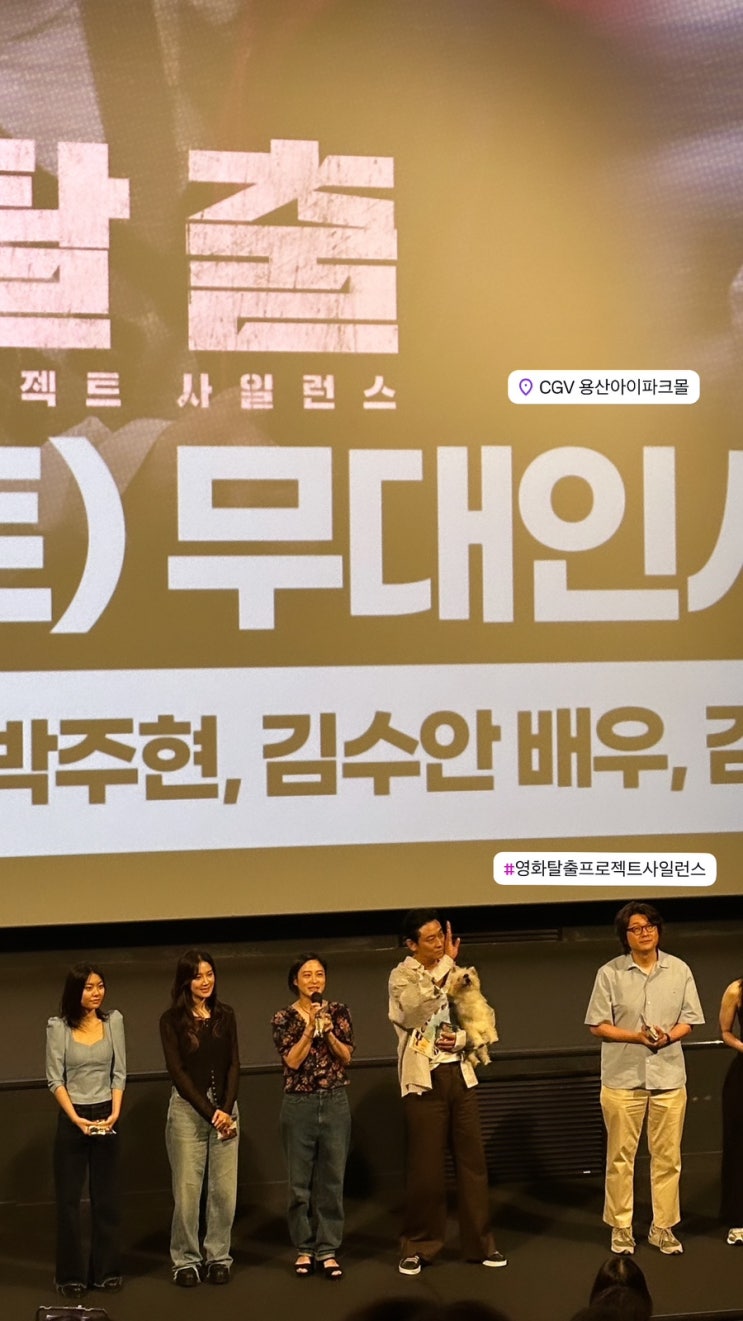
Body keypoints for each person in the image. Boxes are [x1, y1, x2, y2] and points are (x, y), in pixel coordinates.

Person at [388, 909, 505, 1276]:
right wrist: (445, 967)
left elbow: (481, 1020)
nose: (440, 944)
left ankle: (481, 1244)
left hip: (461, 1076)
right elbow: (413, 1012)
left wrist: (464, 1039)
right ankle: (419, 1246)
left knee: (473, 1164)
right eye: (431, 938)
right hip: (424, 1080)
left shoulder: (459, 973)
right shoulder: (402, 976)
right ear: (412, 944)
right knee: (426, 1169)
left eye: (441, 935)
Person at [585, 900, 704, 1257]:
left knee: (668, 1158)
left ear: (658, 930)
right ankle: (621, 1227)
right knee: (620, 1158)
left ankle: (662, 1227)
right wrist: (636, 1037)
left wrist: (668, 1036)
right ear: (625, 936)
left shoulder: (679, 969)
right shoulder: (610, 973)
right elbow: (597, 1025)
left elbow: (690, 1019)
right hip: (623, 1079)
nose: (644, 933)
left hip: (669, 1077)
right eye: (636, 928)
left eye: (649, 926)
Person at [159, 949, 240, 1288]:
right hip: (188, 1112)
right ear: (185, 981)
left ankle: (218, 1256)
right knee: (188, 1192)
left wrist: (225, 1109)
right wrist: (211, 1113)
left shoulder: (225, 1015)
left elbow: (234, 1064)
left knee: (224, 1192)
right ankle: (186, 1260)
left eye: (209, 974)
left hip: (225, 1109)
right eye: (197, 976)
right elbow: (177, 1072)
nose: (205, 981)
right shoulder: (171, 1020)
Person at [45, 962, 126, 1299]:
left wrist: (114, 1113)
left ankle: (106, 1271)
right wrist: (76, 1118)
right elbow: (55, 1078)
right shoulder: (59, 1027)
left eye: (100, 986)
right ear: (75, 991)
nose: (96, 993)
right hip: (73, 1116)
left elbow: (119, 1073)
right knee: (68, 1201)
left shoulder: (113, 1022)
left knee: (106, 1198)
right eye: (89, 987)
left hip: (106, 1114)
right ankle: (70, 1275)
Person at [271, 953, 354, 1279]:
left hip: (334, 1101)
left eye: (319, 974)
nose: (314, 980)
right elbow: (292, 1061)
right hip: (299, 1103)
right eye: (307, 975)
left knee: (332, 1180)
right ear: (295, 981)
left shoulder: (339, 1011)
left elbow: (346, 1057)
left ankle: (328, 1249)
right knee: (299, 1184)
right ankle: (304, 1248)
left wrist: (329, 1032)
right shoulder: (283, 1017)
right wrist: (309, 1029)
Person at [719, 975, 743, 1243]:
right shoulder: (736, 989)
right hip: (741, 1077)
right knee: (739, 1147)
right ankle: (738, 1219)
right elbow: (725, 1032)